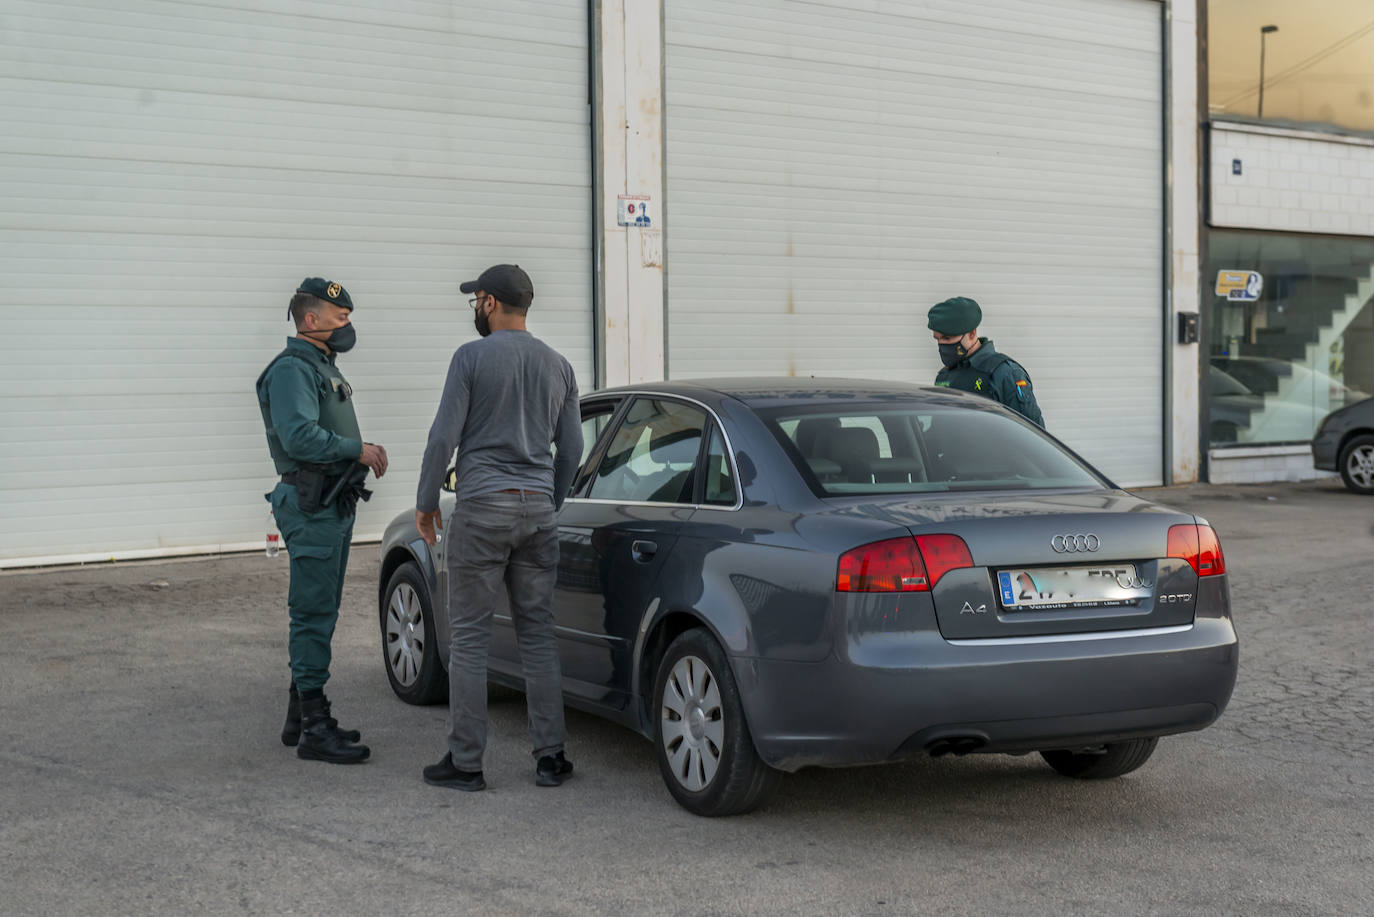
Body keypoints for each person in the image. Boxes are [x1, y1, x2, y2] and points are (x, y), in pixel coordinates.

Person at [415, 264, 583, 792]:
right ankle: (551, 758)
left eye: (476, 302)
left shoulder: (470, 358)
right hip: (537, 512)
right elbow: (573, 449)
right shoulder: (559, 366)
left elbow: (444, 437)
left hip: (484, 506)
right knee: (537, 636)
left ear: (488, 303)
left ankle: (466, 763)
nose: (474, 310)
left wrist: (425, 503)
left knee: (468, 637)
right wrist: (548, 502)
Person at [255, 277, 388, 765]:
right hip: (311, 505)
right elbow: (299, 439)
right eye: (340, 319)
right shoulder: (293, 369)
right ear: (311, 321)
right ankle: (314, 727)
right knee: (312, 613)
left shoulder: (318, 365)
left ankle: (301, 716)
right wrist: (358, 448)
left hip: (331, 503)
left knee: (322, 610)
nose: (347, 326)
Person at [927, 295, 1045, 427]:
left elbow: (1032, 435)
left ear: (972, 334)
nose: (942, 345)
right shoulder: (944, 376)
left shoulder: (1005, 373)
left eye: (947, 338)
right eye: (937, 339)